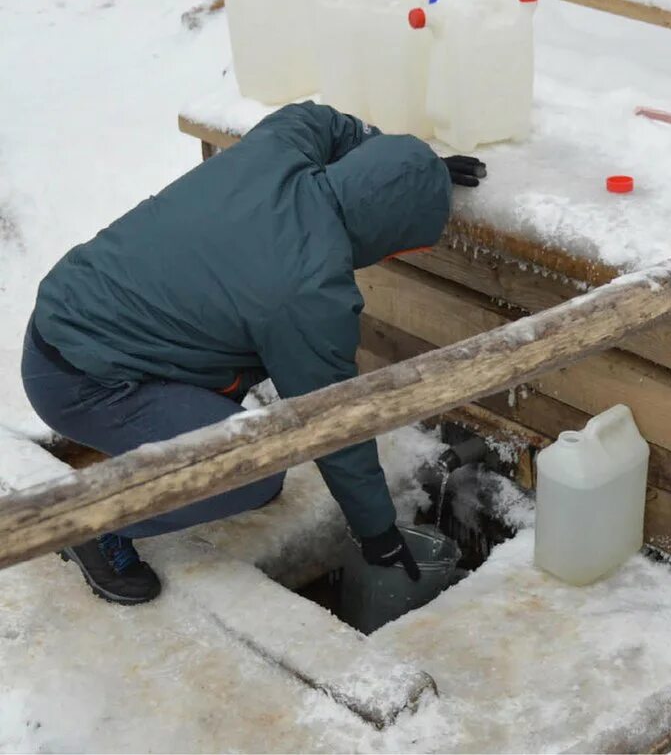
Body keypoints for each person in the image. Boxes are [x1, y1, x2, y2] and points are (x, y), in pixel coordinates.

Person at [21, 102, 486, 606]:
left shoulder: (279, 150)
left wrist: (410, 170)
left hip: (70, 319)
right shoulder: (309, 294)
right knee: (253, 473)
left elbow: (322, 119)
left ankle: (145, 440)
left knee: (227, 392)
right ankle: (97, 524)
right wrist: (377, 532)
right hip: (83, 382)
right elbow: (331, 421)